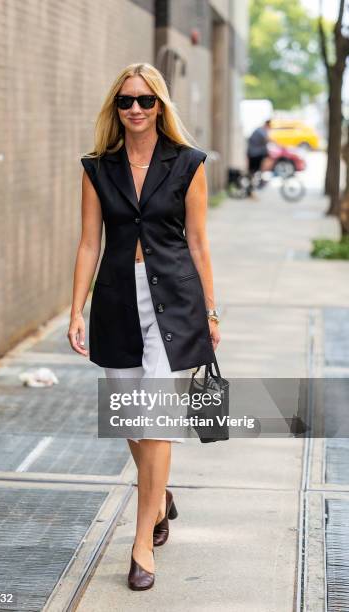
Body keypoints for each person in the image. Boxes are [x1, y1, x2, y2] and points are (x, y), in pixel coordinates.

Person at [67, 62, 220, 591]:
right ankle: (160, 501)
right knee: (133, 422)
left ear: (161, 106)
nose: (135, 109)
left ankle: (139, 544)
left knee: (154, 419)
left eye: (146, 100)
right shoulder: (96, 168)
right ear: (117, 109)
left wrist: (212, 310)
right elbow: (90, 242)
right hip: (116, 300)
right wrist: (75, 309)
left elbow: (198, 242)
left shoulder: (188, 163)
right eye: (126, 101)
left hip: (173, 300)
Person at [246, 119, 272, 197]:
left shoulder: (261, 131)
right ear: (267, 125)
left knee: (254, 172)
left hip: (256, 154)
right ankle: (251, 191)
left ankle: (253, 189)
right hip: (254, 155)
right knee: (253, 173)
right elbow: (267, 139)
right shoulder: (260, 131)